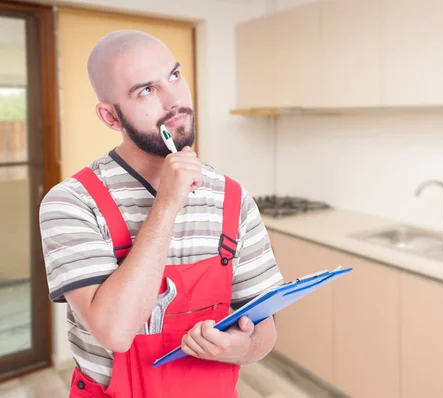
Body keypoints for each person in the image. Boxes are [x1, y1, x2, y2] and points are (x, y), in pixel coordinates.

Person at [39, 30, 284, 398]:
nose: (175, 100)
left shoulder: (232, 198)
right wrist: (166, 204)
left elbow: (265, 330)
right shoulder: (72, 203)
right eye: (146, 91)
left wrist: (242, 349)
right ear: (110, 116)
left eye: (174, 76)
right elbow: (115, 332)